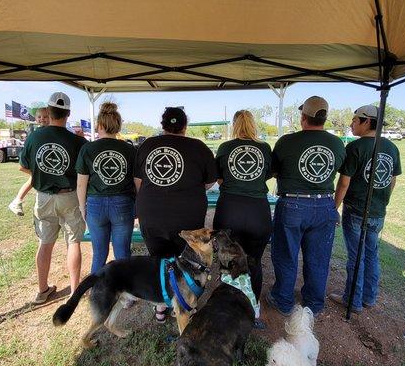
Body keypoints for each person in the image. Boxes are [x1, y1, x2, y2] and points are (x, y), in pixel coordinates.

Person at [134, 106, 216, 322]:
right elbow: (209, 182)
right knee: (186, 264)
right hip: (188, 218)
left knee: (158, 262)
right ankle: (185, 303)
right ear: (185, 127)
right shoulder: (199, 147)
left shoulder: (147, 145)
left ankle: (161, 307)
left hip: (151, 216)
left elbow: (138, 183)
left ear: (162, 126)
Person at [266, 96, 345, 316]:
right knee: (319, 258)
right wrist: (333, 207)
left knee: (285, 254)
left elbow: (272, 171)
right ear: (325, 118)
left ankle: (283, 299)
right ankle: (313, 304)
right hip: (324, 204)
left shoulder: (287, 141)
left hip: (292, 203)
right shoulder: (337, 143)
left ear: (303, 117)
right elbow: (344, 179)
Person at [329, 105, 401, 313]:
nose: (351, 124)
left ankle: (353, 300)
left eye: (354, 120)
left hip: (356, 210)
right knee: (371, 255)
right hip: (378, 211)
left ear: (366, 121)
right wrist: (383, 200)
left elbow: (344, 182)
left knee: (356, 257)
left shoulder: (355, 148)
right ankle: (369, 296)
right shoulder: (391, 147)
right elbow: (392, 179)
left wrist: (335, 207)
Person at [19, 92, 87, 304]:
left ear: (48, 112)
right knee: (73, 242)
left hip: (43, 197)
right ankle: (75, 291)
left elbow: (23, 166)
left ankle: (42, 290)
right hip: (69, 196)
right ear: (68, 113)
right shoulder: (78, 141)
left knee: (45, 243)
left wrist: (42, 176)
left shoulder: (34, 137)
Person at [213, 110, 272, 328]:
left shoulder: (225, 148)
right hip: (258, 212)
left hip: (230, 209)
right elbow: (266, 175)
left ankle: (226, 309)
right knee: (254, 262)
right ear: (253, 124)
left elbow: (219, 177)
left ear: (235, 125)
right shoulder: (264, 148)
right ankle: (254, 311)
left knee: (228, 262)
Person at [76, 102, 137, 274]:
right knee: (123, 254)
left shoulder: (88, 148)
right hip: (123, 204)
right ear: (118, 126)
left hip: (95, 205)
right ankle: (126, 295)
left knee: (99, 255)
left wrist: (82, 208)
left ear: (99, 125)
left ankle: (97, 292)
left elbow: (81, 183)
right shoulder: (129, 149)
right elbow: (136, 180)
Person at [9, 107, 49, 216]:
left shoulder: (43, 132)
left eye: (45, 117)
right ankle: (16, 201)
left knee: (32, 181)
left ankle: (17, 201)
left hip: (41, 164)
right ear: (36, 119)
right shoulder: (36, 134)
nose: (42, 119)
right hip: (35, 165)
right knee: (32, 180)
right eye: (39, 117)